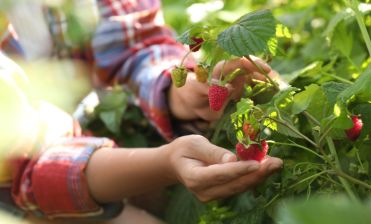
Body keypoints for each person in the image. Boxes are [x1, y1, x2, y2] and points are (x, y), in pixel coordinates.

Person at [0, 0, 283, 223]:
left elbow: (135, 43)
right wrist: (163, 163)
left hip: (77, 152)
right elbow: (22, 167)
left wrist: (179, 90)